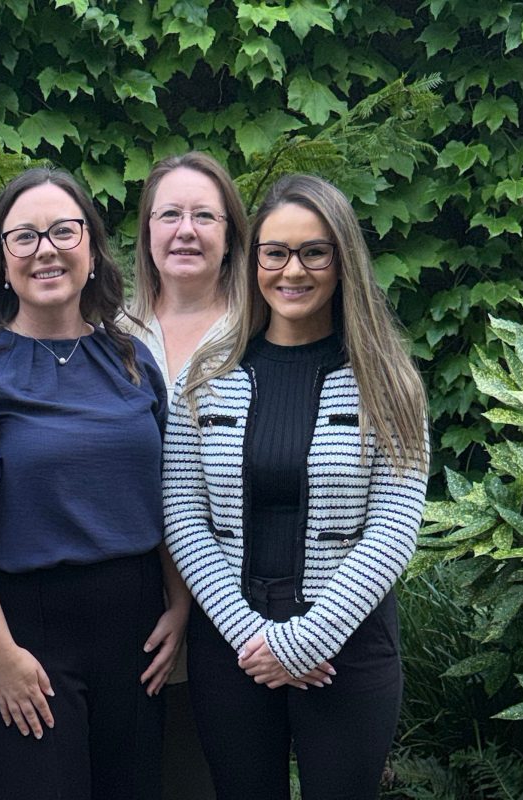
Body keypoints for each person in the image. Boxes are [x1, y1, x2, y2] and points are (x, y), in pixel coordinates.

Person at [162, 173, 430, 799]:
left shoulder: (388, 382)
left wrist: (309, 639)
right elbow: (181, 512)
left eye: (314, 252)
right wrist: (254, 636)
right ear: (253, 259)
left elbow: (394, 527)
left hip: (347, 644)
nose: (292, 271)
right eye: (275, 252)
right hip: (233, 644)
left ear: (342, 262)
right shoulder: (205, 375)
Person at [0, 167, 178, 800]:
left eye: (65, 231)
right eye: (24, 237)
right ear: (1, 259)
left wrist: (180, 607)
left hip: (136, 624)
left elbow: (168, 491)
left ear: (91, 248)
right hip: (23, 627)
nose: (46, 249)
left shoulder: (132, 358)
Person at [126, 151, 250, 800]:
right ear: (146, 231)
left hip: (240, 599)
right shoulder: (110, 334)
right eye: (169, 214)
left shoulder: (263, 330)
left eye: (205, 215)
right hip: (133, 601)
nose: (186, 230)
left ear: (231, 232)